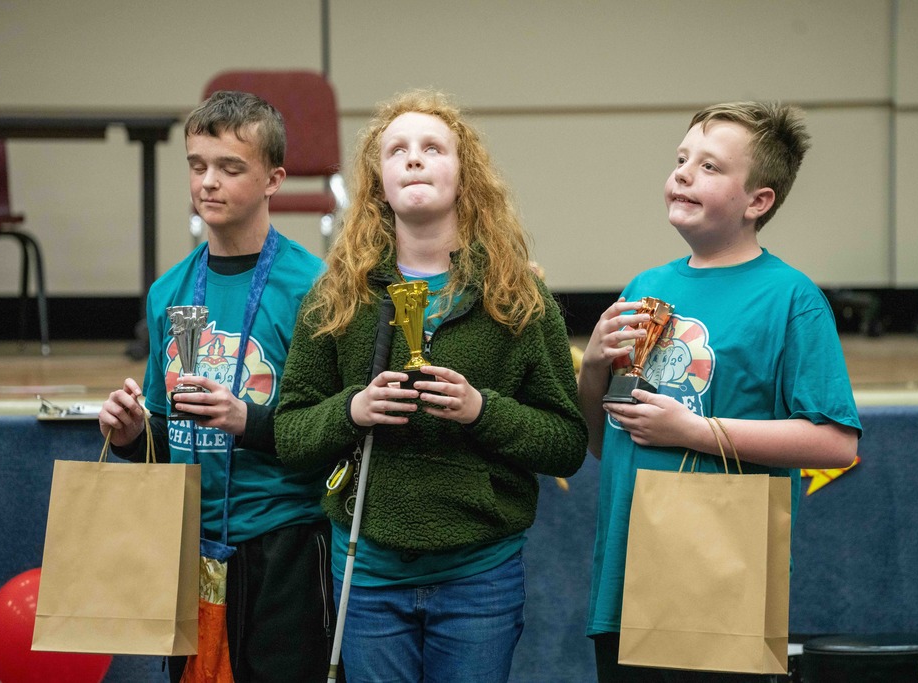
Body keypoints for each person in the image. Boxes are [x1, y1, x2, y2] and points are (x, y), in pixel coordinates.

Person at [273, 89, 588, 683]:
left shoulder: (517, 298)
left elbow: (567, 442)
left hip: (480, 579)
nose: (414, 159)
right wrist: (354, 409)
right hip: (367, 576)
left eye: (432, 148)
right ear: (377, 185)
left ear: (464, 178)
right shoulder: (336, 296)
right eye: (397, 150)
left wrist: (481, 411)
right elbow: (291, 432)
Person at [579, 102, 862, 683]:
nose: (683, 173)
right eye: (681, 159)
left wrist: (695, 432)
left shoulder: (790, 298)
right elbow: (605, 445)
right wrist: (591, 369)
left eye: (710, 166)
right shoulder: (645, 286)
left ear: (758, 201)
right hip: (626, 579)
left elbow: (836, 443)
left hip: (719, 582)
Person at [97, 90, 330, 683]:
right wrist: (129, 434)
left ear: (274, 179)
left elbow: (334, 430)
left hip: (284, 539)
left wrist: (244, 420)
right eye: (198, 166)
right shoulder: (168, 290)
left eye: (230, 168)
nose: (208, 183)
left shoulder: (313, 289)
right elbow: (161, 427)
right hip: (190, 543)